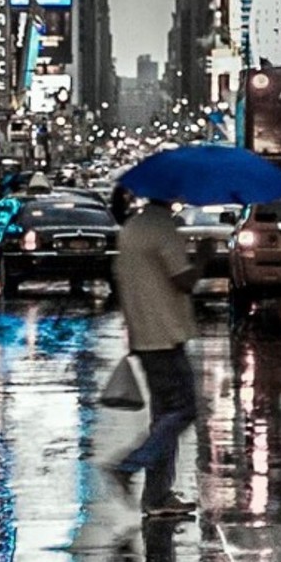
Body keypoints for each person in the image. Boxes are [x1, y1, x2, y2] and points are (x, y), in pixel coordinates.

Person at [108, 186, 200, 520]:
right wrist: (203, 257)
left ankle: (157, 496)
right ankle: (128, 466)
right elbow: (184, 280)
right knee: (184, 410)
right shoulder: (163, 227)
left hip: (144, 334)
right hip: (165, 336)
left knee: (165, 419)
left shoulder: (133, 227)